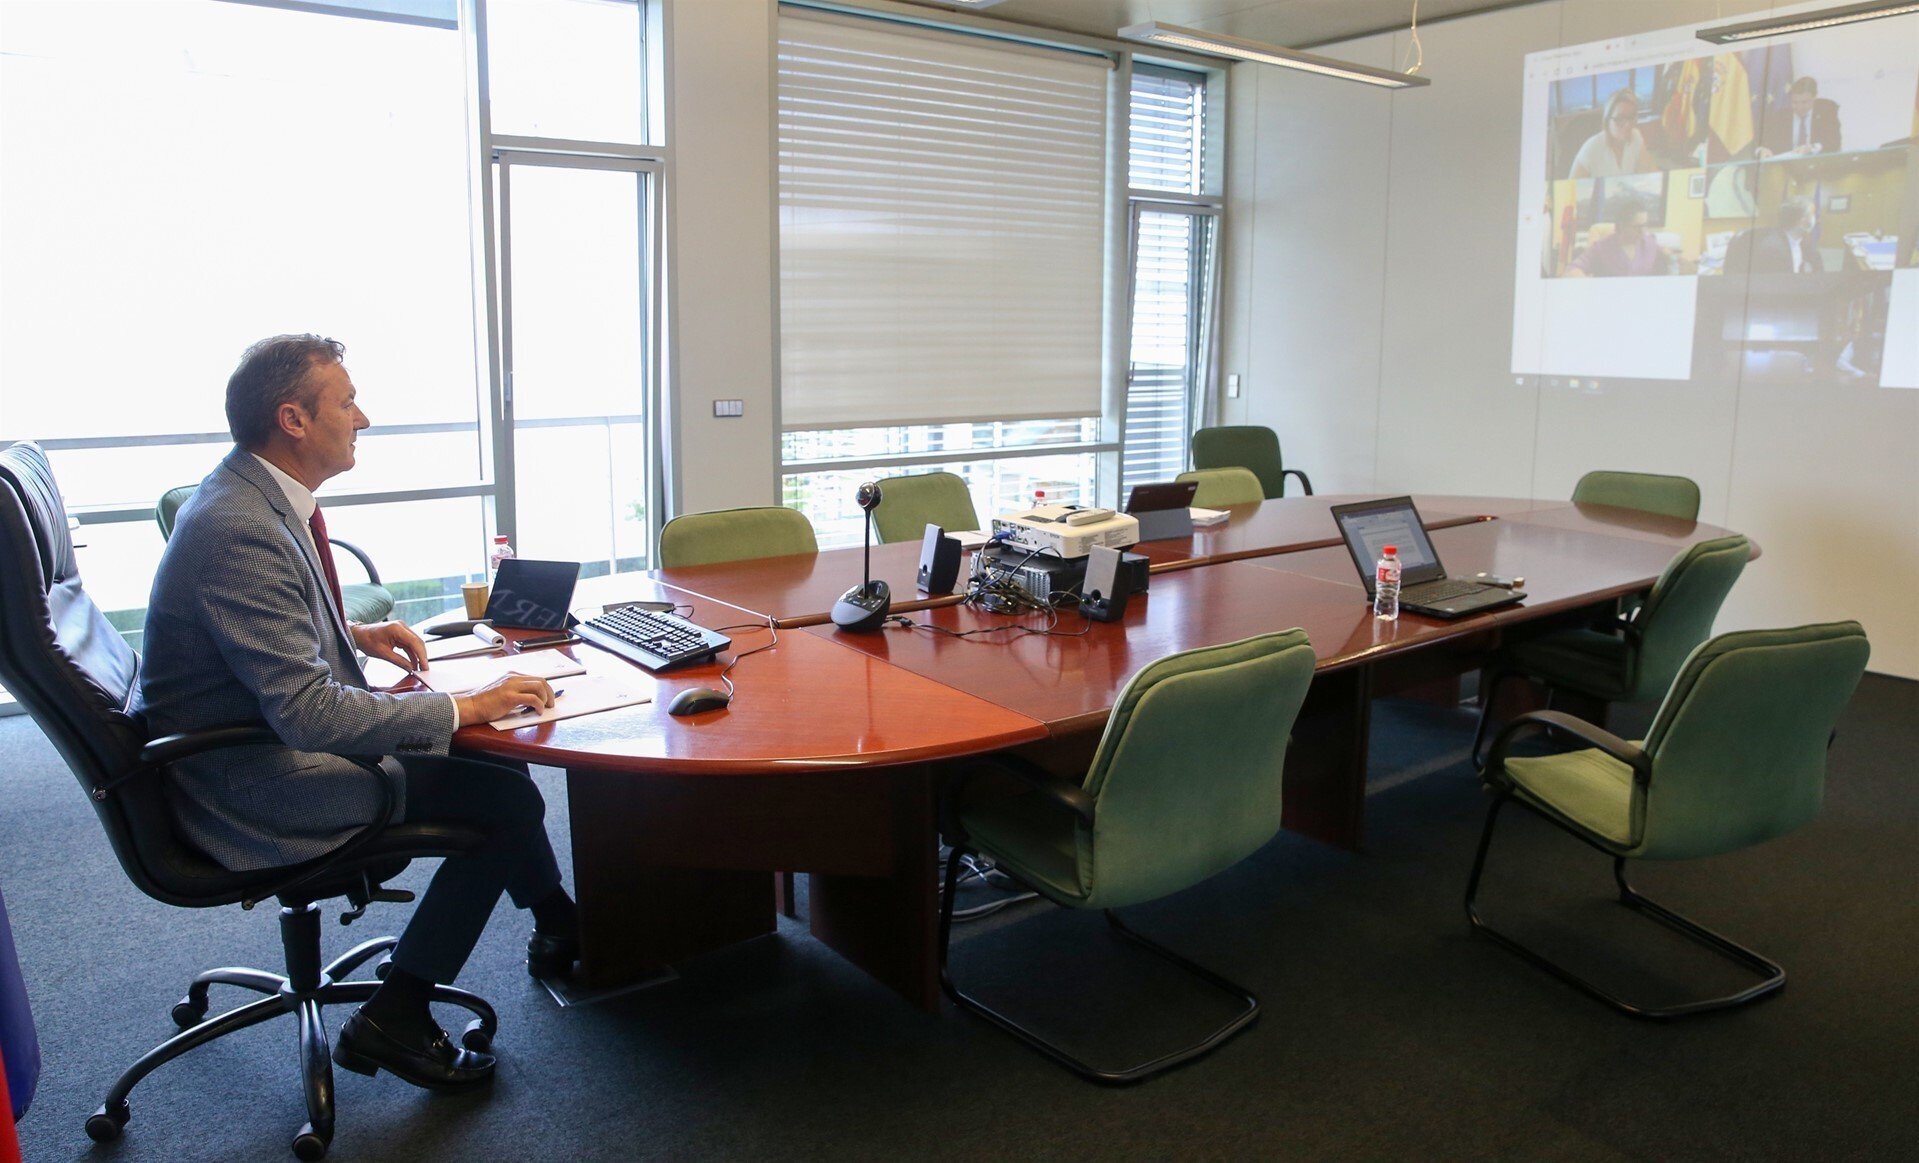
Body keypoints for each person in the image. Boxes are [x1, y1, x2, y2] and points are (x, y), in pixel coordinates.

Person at [137, 334, 580, 1092]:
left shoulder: (250, 494)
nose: (363, 418)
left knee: (487, 757)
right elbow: (308, 715)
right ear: (294, 419)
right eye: (346, 403)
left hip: (244, 738)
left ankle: (559, 923)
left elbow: (258, 636)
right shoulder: (238, 527)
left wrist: (348, 634)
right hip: (251, 780)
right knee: (501, 796)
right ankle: (396, 1014)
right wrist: (466, 702)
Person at [1567, 196, 1674, 277]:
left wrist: (1671, 257)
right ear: (1622, 226)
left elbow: (1667, 255)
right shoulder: (1602, 247)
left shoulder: (1649, 242)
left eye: (1645, 225)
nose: (1643, 232)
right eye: (1637, 227)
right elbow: (1573, 268)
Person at [1569, 89, 1657, 180]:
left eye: (1631, 117)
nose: (1628, 124)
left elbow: (1651, 173)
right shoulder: (1591, 148)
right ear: (1607, 120)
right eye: (1620, 118)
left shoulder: (1636, 137)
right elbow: (1570, 185)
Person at [1723, 196, 1825, 274]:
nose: (1817, 219)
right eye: (1813, 214)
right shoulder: (1773, 250)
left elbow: (1816, 264)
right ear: (1801, 222)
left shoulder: (1800, 241)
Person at [1755, 76, 1841, 159]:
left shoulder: (1826, 112)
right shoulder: (1781, 116)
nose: (1799, 107)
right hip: (1788, 166)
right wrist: (1762, 149)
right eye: (1795, 102)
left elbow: (1834, 142)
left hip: (1817, 164)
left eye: (1804, 102)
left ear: (1814, 98)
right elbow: (1762, 142)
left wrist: (1812, 148)